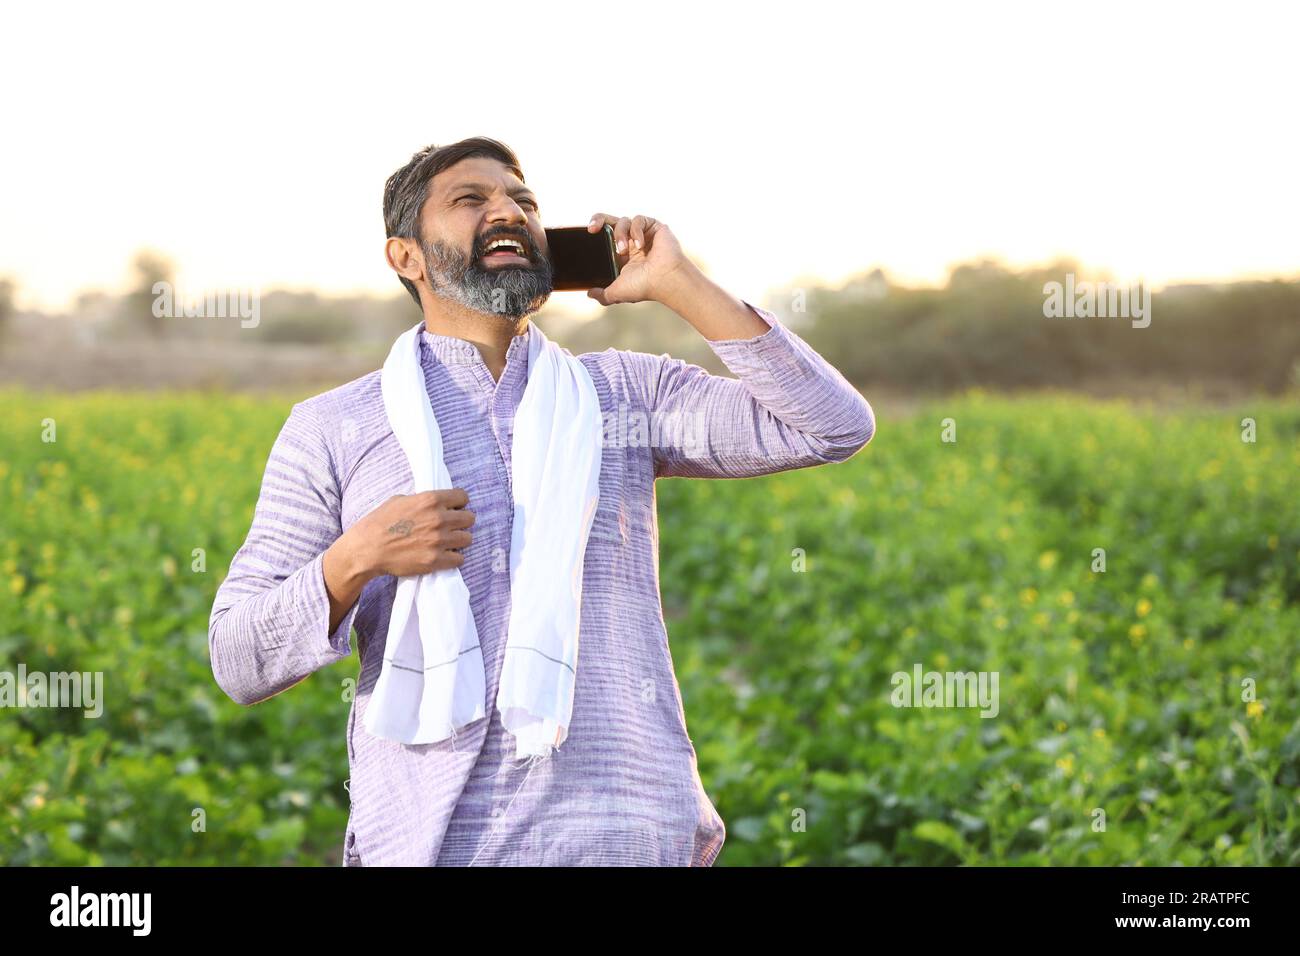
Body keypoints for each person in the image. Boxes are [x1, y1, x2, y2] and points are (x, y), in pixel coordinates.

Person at [207, 136, 876, 866]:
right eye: (471, 200)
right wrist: (356, 557)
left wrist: (679, 281)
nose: (508, 213)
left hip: (620, 830)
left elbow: (832, 425)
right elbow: (240, 659)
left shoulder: (622, 394)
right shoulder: (332, 428)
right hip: (431, 841)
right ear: (406, 256)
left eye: (523, 201)